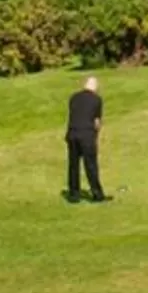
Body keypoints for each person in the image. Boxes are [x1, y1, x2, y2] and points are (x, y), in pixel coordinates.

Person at [65, 74, 106, 203]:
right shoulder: (96, 99)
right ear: (94, 86)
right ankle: (97, 194)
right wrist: (96, 134)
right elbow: (96, 121)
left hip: (72, 133)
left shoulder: (73, 98)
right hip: (86, 134)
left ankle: (73, 194)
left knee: (73, 165)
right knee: (91, 165)